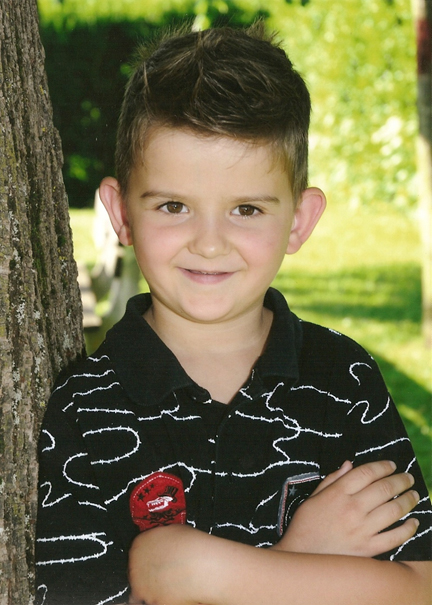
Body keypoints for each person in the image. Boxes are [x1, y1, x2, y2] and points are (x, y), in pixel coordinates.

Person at [35, 22, 432, 605]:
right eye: (174, 206)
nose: (209, 242)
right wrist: (302, 555)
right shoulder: (84, 408)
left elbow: (418, 587)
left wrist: (190, 574)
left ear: (298, 221)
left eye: (246, 209)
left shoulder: (343, 378)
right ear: (120, 214)